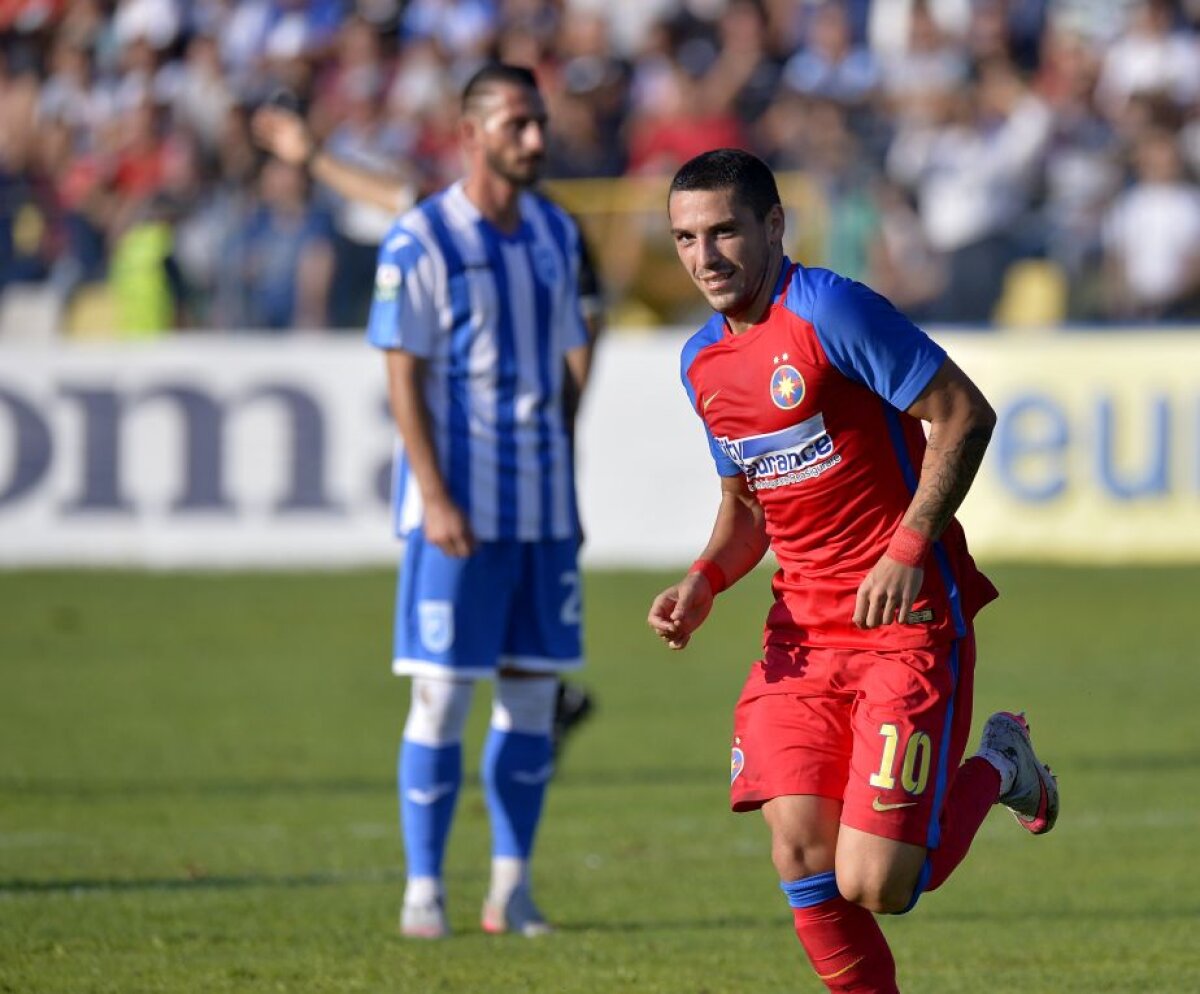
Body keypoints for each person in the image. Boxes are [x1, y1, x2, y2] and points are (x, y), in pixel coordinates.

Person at [647, 149, 1058, 993]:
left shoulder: (830, 310)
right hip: (799, 637)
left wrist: (908, 547)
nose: (706, 256)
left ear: (772, 225)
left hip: (904, 627)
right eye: (686, 238)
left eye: (725, 231)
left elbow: (963, 415)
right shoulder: (702, 363)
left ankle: (1001, 766)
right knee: (801, 856)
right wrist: (703, 579)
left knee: (879, 884)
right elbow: (748, 509)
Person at [251, 98, 600, 756]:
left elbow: (582, 344)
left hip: (530, 470)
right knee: (453, 676)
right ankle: (539, 711)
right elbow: (400, 198)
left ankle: (536, 720)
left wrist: (560, 457)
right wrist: (313, 156)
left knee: (506, 657)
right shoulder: (458, 224)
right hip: (478, 476)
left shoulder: (555, 234)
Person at [361, 63, 592, 939]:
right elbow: (402, 376)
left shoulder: (555, 236)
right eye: (517, 125)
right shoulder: (421, 240)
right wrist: (434, 492)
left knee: (533, 701)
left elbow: (570, 357)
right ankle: (424, 890)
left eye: (539, 123)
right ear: (472, 133)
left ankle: (513, 888)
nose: (536, 140)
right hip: (458, 509)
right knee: (442, 700)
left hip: (541, 513)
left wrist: (564, 482)